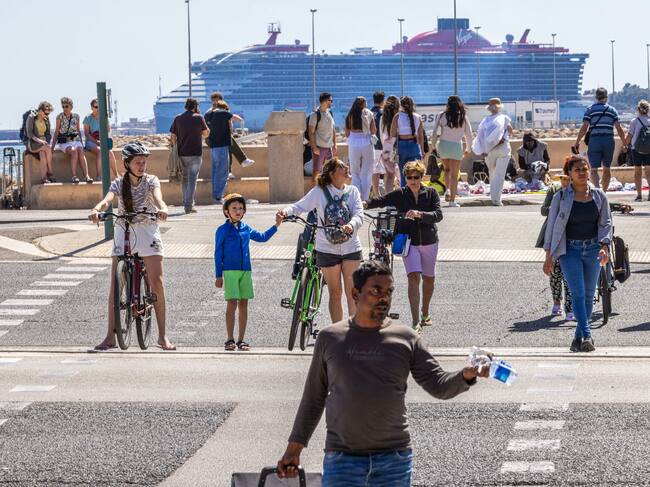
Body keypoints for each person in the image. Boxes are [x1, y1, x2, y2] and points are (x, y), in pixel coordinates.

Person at [276, 260, 489, 486]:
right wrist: (294, 449)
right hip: (342, 460)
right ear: (355, 293)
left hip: (394, 461)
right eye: (376, 291)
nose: (384, 298)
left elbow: (439, 385)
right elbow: (313, 398)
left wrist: (467, 374)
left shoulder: (406, 339)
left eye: (389, 292)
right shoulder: (330, 338)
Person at [89, 142, 176, 351]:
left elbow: (158, 198)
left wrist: (163, 208)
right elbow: (107, 200)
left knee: (157, 282)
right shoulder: (119, 183)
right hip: (124, 228)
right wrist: (96, 209)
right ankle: (110, 337)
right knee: (115, 285)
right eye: (138, 162)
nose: (142, 166)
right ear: (127, 164)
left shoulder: (151, 180)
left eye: (144, 162)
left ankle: (162, 337)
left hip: (147, 229)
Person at [277, 158, 363, 322]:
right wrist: (285, 212)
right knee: (335, 293)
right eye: (341, 166)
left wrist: (351, 225)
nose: (346, 168)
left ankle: (354, 331)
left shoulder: (353, 191)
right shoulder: (319, 191)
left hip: (351, 248)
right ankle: (337, 330)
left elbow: (359, 214)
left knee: (352, 293)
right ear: (331, 174)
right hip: (327, 249)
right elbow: (300, 206)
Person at [543, 155, 612, 353]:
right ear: (569, 174)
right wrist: (548, 256)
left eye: (585, 169)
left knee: (589, 295)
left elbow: (606, 223)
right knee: (577, 293)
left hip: (593, 250)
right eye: (577, 170)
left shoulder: (599, 196)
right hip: (569, 251)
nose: (582, 173)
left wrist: (604, 246)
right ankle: (588, 335)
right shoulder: (561, 197)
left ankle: (577, 337)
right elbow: (551, 227)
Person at [365, 160, 443, 331]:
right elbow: (381, 201)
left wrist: (420, 214)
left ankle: (425, 313)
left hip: (429, 241)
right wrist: (363, 204)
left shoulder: (431, 193)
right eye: (409, 177)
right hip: (409, 242)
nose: (412, 181)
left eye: (416, 177)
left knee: (429, 278)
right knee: (413, 277)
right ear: (405, 178)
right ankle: (415, 321)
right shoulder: (400, 194)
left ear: (421, 177)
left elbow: (438, 215)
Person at [214, 193, 282, 351]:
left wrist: (276, 225)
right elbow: (217, 253)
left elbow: (262, 237)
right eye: (234, 208)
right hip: (230, 271)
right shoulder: (222, 230)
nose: (238, 211)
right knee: (232, 303)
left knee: (244, 304)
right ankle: (229, 339)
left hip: (246, 271)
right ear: (226, 211)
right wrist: (218, 275)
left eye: (241, 208)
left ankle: (241, 340)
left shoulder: (246, 228)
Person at [573, 87, 627, 192]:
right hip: (608, 140)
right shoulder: (612, 110)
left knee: (593, 169)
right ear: (606, 97)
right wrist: (625, 143)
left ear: (596, 97)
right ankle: (604, 193)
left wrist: (577, 142)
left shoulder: (590, 110)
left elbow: (584, 127)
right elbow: (619, 128)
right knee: (607, 168)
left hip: (594, 141)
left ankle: (597, 191)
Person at [536, 175, 573, 320]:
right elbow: (543, 210)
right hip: (555, 236)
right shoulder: (554, 191)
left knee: (570, 274)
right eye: (564, 178)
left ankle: (570, 307)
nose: (566, 181)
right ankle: (557, 302)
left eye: (569, 179)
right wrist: (557, 206)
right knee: (555, 272)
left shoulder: (579, 190)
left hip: (571, 236)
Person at [430, 95, 473, 207]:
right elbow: (469, 134)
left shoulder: (441, 115)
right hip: (456, 146)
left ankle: (447, 190)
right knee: (454, 174)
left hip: (443, 145)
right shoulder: (463, 116)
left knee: (446, 169)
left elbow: (434, 132)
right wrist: (468, 148)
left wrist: (433, 145)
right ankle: (452, 201)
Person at [170, 97, 209, 213]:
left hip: (182, 153)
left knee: (185, 179)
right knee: (192, 180)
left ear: (185, 106)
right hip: (195, 153)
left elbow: (173, 137)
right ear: (196, 107)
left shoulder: (178, 118)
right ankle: (188, 206)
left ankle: (186, 203)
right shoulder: (199, 117)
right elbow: (206, 134)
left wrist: (174, 147)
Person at [472, 98, 513, 206]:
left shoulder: (485, 121)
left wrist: (483, 150)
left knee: (492, 174)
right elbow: (510, 131)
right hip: (503, 148)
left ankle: (493, 197)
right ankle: (497, 199)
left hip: (489, 150)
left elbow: (480, 136)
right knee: (500, 174)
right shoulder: (504, 117)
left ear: (489, 108)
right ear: (499, 107)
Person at [205, 92, 255, 180]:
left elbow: (231, 124)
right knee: (227, 142)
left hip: (220, 138)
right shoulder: (210, 113)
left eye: (217, 100)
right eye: (213, 101)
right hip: (211, 138)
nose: (215, 102)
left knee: (228, 144)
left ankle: (230, 171)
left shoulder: (224, 112)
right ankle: (242, 161)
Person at [204, 98, 239, 204]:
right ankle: (218, 196)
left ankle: (216, 195)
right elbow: (237, 118)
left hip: (213, 146)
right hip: (222, 146)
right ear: (224, 107)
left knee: (215, 172)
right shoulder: (224, 113)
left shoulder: (209, 114)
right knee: (223, 172)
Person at [52, 97, 93, 184]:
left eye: (66, 106)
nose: (64, 108)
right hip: (64, 141)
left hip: (75, 139)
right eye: (63, 106)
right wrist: (52, 147)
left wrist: (81, 143)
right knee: (74, 152)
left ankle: (87, 176)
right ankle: (74, 176)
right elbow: (56, 132)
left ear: (71, 106)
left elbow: (78, 130)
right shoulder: (59, 117)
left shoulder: (76, 116)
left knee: (81, 151)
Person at [345, 96, 376, 200]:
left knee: (354, 172)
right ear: (363, 104)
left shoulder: (350, 114)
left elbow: (347, 132)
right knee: (367, 171)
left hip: (353, 141)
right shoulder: (369, 113)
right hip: (366, 141)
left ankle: (356, 197)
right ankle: (365, 198)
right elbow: (374, 130)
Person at [391, 96, 424, 186]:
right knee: (416, 173)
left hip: (401, 147)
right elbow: (421, 136)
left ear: (401, 105)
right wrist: (422, 151)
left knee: (403, 174)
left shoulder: (397, 116)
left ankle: (404, 192)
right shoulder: (418, 117)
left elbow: (392, 134)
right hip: (414, 146)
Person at [83, 98, 119, 181]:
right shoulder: (87, 118)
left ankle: (116, 175)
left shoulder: (104, 117)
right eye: (96, 107)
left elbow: (108, 130)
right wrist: (97, 142)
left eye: (99, 107)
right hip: (91, 141)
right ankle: (99, 176)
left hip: (102, 140)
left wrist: (106, 139)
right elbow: (87, 134)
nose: (98, 109)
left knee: (110, 152)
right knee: (100, 151)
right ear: (92, 108)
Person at [624, 99, 650, 202]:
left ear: (638, 109)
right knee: (648, 172)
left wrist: (625, 145)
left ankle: (639, 195)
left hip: (636, 149)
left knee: (637, 172)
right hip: (649, 150)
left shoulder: (634, 121)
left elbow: (630, 135)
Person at [308, 92, 337, 185]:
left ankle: (327, 191)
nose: (331, 102)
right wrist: (314, 148)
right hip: (319, 148)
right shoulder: (315, 115)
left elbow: (333, 130)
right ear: (325, 101)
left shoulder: (330, 113)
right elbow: (311, 132)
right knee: (316, 172)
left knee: (330, 171)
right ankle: (314, 191)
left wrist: (334, 144)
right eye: (330, 100)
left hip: (329, 148)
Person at [24, 102, 54, 184]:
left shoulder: (46, 119)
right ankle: (50, 169)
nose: (47, 115)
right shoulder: (31, 118)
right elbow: (29, 134)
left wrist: (46, 141)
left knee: (42, 154)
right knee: (48, 148)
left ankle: (44, 178)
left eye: (48, 114)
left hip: (43, 143)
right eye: (46, 113)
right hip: (33, 143)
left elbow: (48, 134)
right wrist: (40, 140)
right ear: (40, 111)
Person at [378, 95, 400, 194]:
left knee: (389, 175)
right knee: (400, 174)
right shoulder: (398, 117)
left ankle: (388, 198)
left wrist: (385, 146)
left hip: (386, 148)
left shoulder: (382, 118)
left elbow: (381, 134)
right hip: (396, 146)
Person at [370, 91, 385, 197]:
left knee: (375, 171)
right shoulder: (383, 113)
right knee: (388, 171)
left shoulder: (369, 112)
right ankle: (388, 193)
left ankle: (376, 194)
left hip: (371, 145)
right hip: (382, 145)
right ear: (383, 100)